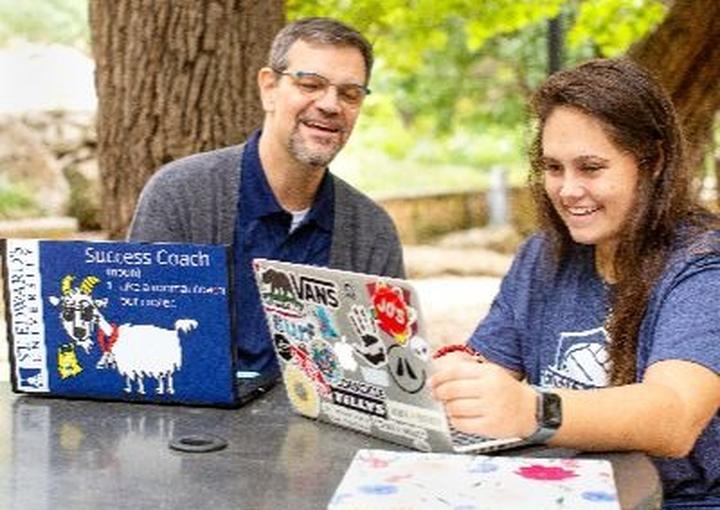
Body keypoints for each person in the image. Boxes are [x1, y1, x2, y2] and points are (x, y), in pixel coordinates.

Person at [430, 58, 720, 508]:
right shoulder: (541, 255)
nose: (567, 190)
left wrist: (531, 409)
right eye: (553, 167)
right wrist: (456, 381)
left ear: (654, 162)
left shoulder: (703, 268)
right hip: (557, 490)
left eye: (590, 168)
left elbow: (675, 416)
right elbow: (488, 373)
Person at [128, 17, 405, 376]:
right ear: (269, 88)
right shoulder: (179, 197)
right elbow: (145, 340)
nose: (330, 105)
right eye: (310, 84)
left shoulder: (373, 232)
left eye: (350, 94)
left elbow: (384, 375)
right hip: (192, 412)